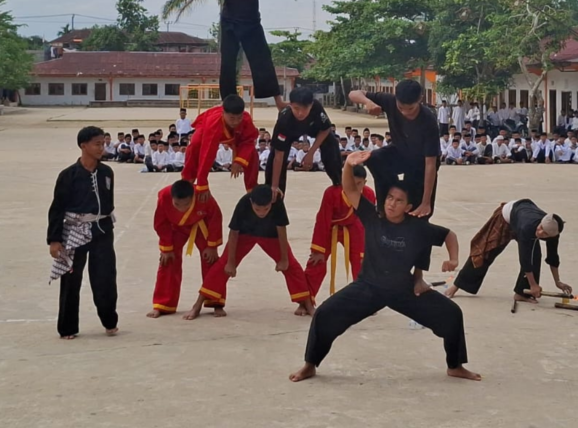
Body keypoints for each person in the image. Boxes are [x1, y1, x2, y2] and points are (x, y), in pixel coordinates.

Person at [289, 151, 477, 383]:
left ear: (408, 206)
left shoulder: (416, 227)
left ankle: (455, 365)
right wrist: (348, 164)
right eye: (389, 198)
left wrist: (454, 259)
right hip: (368, 286)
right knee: (325, 315)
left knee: (452, 314)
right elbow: (349, 189)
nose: (391, 204)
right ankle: (310, 364)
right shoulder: (372, 217)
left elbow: (449, 235)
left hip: (403, 290)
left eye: (398, 201)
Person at [184, 185, 314, 319]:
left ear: (271, 203)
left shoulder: (277, 202)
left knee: (292, 266)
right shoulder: (243, 203)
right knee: (222, 266)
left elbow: (281, 230)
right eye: (257, 209)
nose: (262, 213)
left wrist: (285, 259)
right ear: (251, 202)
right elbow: (233, 233)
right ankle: (197, 305)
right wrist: (231, 262)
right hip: (245, 235)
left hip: (271, 235)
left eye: (266, 209)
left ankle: (308, 305)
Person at [46, 126, 119, 340]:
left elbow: (108, 203)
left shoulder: (107, 172)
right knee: (71, 280)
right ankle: (68, 327)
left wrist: (104, 222)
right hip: (74, 233)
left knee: (105, 277)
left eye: (103, 143)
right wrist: (55, 240)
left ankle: (109, 320)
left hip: (102, 231)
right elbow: (57, 208)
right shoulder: (68, 176)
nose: (101, 147)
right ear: (83, 146)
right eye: (97, 144)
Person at [211, 0, 284, 110]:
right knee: (228, 62)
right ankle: (227, 101)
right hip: (230, 23)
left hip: (251, 23)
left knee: (262, 59)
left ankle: (278, 101)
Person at [446, 199, 570, 304]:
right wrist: (533, 285)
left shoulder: (553, 235)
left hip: (522, 215)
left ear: (552, 236)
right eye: (541, 228)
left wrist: (557, 281)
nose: (540, 233)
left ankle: (522, 293)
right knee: (485, 251)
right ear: (541, 222)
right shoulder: (528, 227)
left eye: (545, 234)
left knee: (535, 255)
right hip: (505, 218)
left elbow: (553, 257)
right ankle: (457, 285)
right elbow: (525, 259)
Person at [348, 80, 440, 218]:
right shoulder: (390, 101)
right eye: (401, 107)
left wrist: (426, 202)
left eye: (410, 109)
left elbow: (431, 164)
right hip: (399, 152)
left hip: (420, 165)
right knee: (373, 158)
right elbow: (354, 93)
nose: (405, 113)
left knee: (418, 213)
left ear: (420, 100)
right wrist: (368, 102)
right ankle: (383, 206)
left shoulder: (428, 121)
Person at [148, 180, 224, 318]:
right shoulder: (164, 196)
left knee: (210, 260)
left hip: (200, 225)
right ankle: (163, 305)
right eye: (177, 204)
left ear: (193, 197)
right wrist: (166, 248)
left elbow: (215, 218)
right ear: (171, 198)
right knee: (168, 260)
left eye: (186, 204)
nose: (182, 208)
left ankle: (216, 302)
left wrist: (212, 246)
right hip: (175, 228)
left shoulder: (203, 195)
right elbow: (160, 223)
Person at [304, 166, 377, 299]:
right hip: (330, 227)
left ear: (365, 182)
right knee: (316, 261)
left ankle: (365, 300)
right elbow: (322, 220)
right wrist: (318, 250)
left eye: (359, 184)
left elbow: (370, 222)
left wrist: (371, 246)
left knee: (362, 261)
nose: (354, 188)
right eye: (351, 183)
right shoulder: (331, 192)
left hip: (354, 226)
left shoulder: (369, 194)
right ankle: (306, 300)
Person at [266, 87, 342, 200]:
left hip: (312, 129)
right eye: (296, 108)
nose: (300, 113)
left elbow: (325, 129)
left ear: (311, 105)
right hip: (290, 133)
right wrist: (274, 186)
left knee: (331, 142)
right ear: (290, 105)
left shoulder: (316, 107)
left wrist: (311, 153)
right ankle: (274, 195)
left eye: (305, 108)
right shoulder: (284, 120)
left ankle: (339, 183)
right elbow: (279, 156)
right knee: (274, 159)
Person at [180, 94, 259, 200]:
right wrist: (202, 183)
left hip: (234, 136)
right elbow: (207, 153)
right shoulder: (213, 123)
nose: (235, 122)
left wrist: (239, 160)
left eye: (239, 118)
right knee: (195, 145)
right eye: (232, 118)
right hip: (207, 129)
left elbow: (249, 141)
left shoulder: (246, 119)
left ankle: (252, 189)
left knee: (252, 154)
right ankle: (187, 181)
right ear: (223, 113)